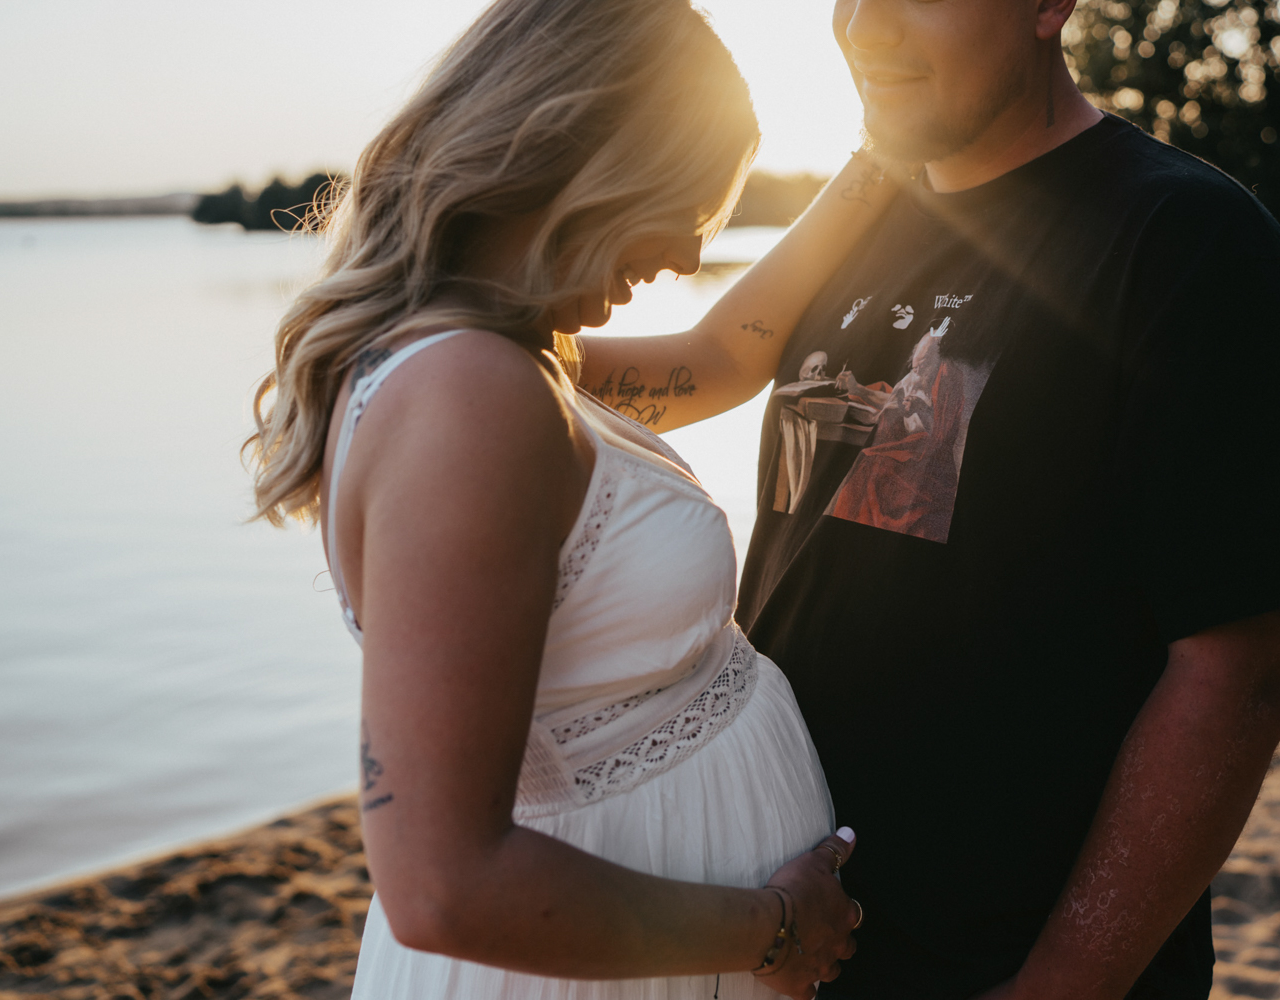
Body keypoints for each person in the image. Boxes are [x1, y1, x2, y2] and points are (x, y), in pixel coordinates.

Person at [246, 1, 900, 997]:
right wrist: (774, 927)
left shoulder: (508, 358)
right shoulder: (470, 399)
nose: (687, 253)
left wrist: (877, 168)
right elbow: (441, 885)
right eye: (689, 202)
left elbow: (718, 356)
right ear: (593, 154)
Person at [735, 1, 1280, 998]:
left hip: (992, 962)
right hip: (793, 941)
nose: (867, 30)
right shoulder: (861, 222)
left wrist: (1059, 984)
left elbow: (1241, 672)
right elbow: (703, 367)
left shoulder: (1186, 241)